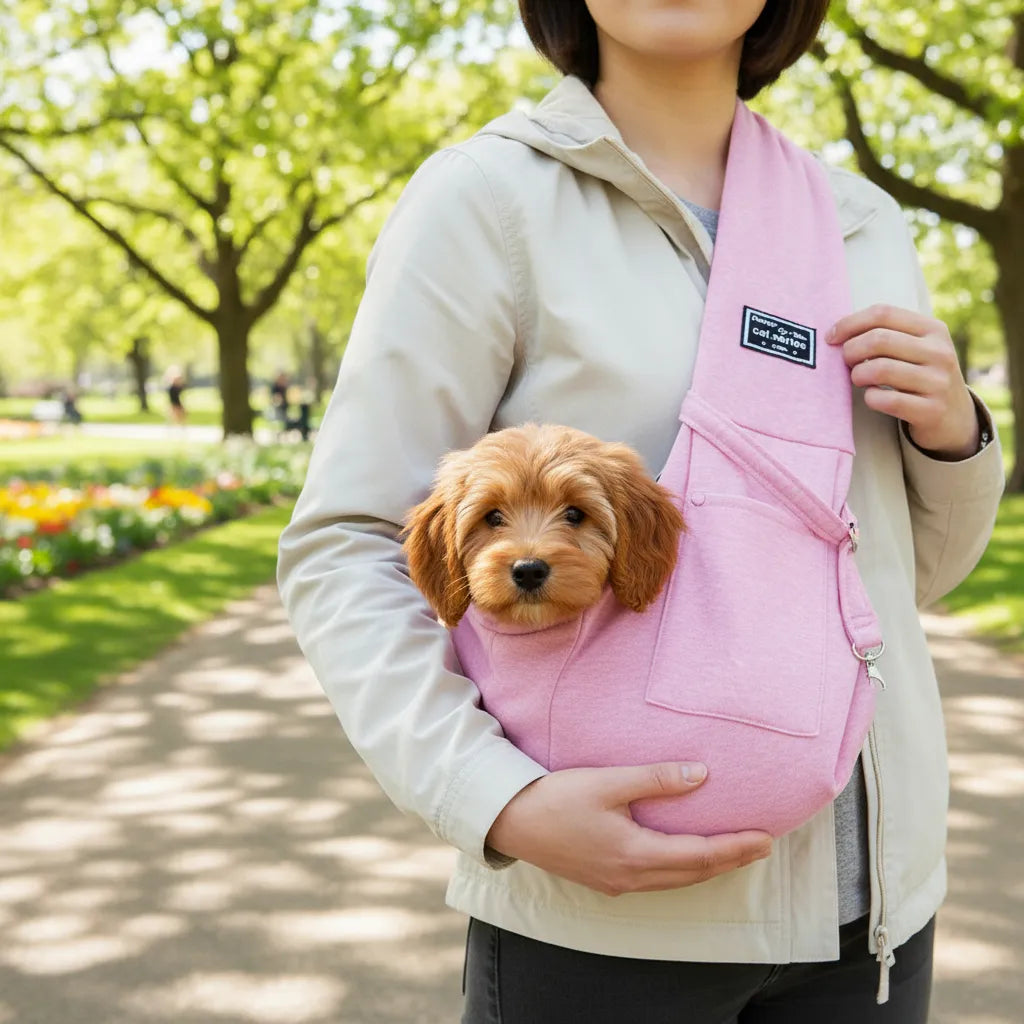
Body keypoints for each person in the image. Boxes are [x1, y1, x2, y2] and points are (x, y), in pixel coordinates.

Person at [277, 3, 1004, 1021]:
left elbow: (895, 578)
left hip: (868, 909)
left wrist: (952, 436)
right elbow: (346, 544)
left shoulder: (859, 222)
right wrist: (497, 799)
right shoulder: (487, 201)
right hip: (599, 918)